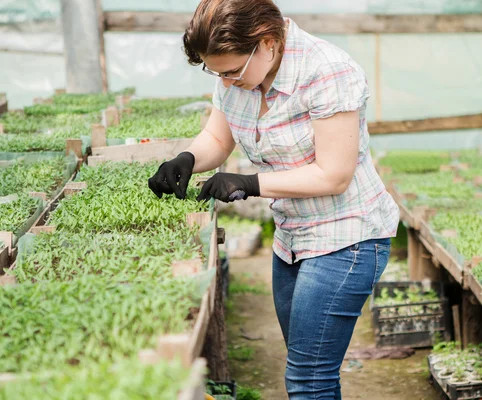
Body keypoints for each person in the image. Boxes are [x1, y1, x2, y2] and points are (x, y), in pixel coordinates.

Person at [147, 0, 400, 398]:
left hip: (347, 236)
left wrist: (250, 183)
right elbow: (217, 137)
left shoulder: (327, 71)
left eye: (231, 71)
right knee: (304, 361)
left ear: (267, 43)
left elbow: (334, 175)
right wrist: (187, 159)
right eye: (216, 73)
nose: (226, 81)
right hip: (292, 237)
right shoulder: (239, 73)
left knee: (308, 378)